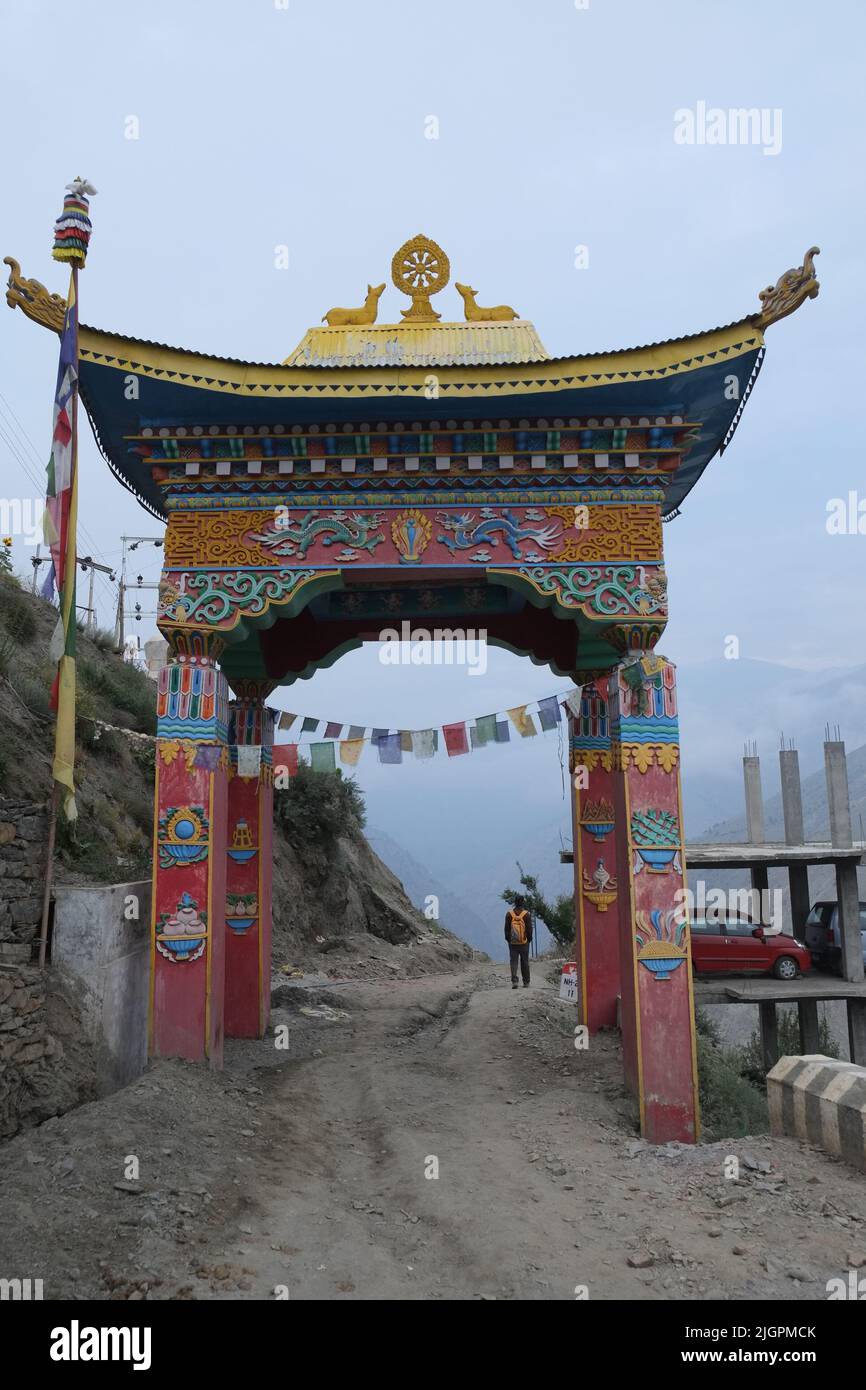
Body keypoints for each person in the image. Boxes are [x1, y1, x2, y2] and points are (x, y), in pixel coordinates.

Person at [504, 896, 533, 989]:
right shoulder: (526, 914)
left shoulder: (509, 914)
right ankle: (526, 982)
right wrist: (528, 939)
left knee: (514, 962)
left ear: (515, 902)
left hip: (513, 943)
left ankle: (515, 982)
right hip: (524, 942)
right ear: (522, 902)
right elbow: (529, 929)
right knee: (524, 961)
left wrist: (509, 940)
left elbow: (506, 930)